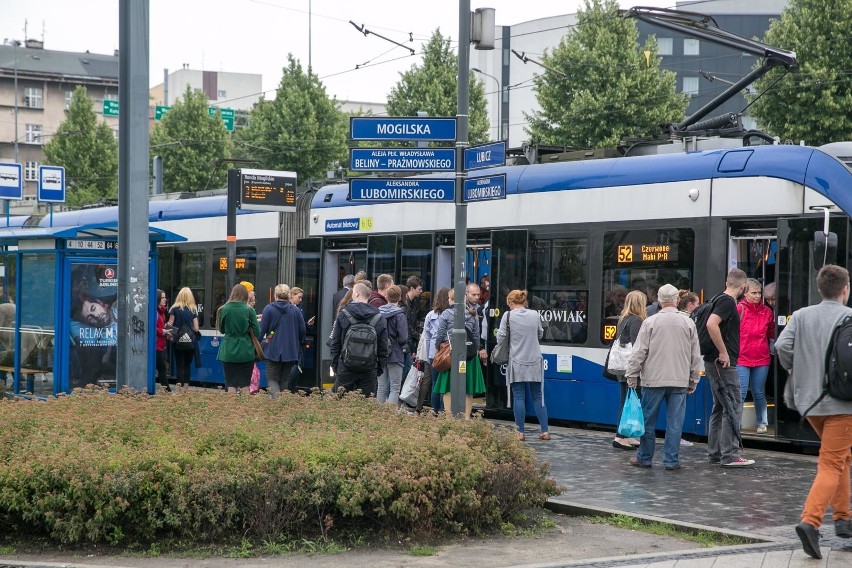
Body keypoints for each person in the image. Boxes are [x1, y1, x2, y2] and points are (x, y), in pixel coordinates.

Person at [775, 264, 852, 559]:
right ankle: (810, 522)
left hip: (809, 403)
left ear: (820, 289)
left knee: (841, 456)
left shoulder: (802, 315)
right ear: (845, 289)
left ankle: (844, 519)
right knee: (832, 463)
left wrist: (798, 371)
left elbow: (782, 345)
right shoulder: (849, 317)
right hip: (842, 404)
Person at [625, 284, 702, 470]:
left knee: (648, 422)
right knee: (675, 423)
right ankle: (671, 461)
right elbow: (695, 355)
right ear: (677, 300)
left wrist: (632, 375)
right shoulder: (689, 323)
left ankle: (644, 458)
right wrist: (693, 380)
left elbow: (639, 352)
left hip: (653, 380)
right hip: (679, 381)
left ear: (659, 301)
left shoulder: (650, 322)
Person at [705, 268, 755, 467]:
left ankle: (715, 453)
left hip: (713, 363)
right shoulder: (727, 302)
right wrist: (724, 352)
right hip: (723, 364)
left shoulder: (717, 297)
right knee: (733, 406)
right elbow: (711, 324)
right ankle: (730, 455)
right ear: (743, 286)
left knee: (719, 407)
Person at [495, 289, 548, 441]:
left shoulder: (508, 315)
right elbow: (540, 334)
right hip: (535, 360)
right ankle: (545, 431)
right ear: (524, 302)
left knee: (519, 396)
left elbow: (501, 337)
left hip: (516, 360)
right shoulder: (535, 314)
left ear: (510, 303)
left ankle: (520, 432)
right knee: (538, 397)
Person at [431, 285, 487, 419]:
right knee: (468, 388)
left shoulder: (446, 313)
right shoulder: (472, 313)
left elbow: (440, 335)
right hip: (470, 355)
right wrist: (474, 350)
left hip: (451, 354)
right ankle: (467, 418)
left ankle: (449, 417)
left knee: (448, 387)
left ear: (452, 299)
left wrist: (438, 348)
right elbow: (476, 336)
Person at [330, 282, 389, 396]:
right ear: (369, 296)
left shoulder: (344, 313)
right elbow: (384, 347)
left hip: (345, 367)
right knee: (366, 407)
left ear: (356, 294)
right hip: (369, 369)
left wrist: (336, 365)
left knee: (340, 405)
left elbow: (335, 343)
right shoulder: (378, 317)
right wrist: (377, 368)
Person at [737, 278, 775, 434]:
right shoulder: (739, 309)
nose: (758, 296)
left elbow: (772, 333)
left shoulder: (767, 311)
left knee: (759, 392)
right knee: (741, 392)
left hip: (761, 357)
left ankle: (762, 422)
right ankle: (736, 423)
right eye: (754, 293)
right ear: (745, 293)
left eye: (759, 292)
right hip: (742, 357)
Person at [611, 290, 647, 450]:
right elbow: (637, 346)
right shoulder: (637, 320)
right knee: (630, 402)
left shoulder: (623, 319)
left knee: (626, 401)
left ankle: (629, 434)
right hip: (631, 369)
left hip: (622, 367)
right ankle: (621, 436)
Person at [259, 284, 305, 397]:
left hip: (272, 350)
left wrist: (257, 344)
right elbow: (302, 331)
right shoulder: (295, 310)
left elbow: (261, 331)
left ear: (275, 295)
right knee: (284, 379)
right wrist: (297, 345)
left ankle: (276, 403)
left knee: (272, 379)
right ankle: (283, 405)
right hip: (290, 351)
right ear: (288, 295)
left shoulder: (269, 309)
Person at [216, 283, 261, 394]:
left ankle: (231, 409)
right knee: (245, 384)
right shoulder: (250, 310)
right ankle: (243, 409)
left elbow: (222, 330)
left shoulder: (223, 309)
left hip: (228, 350)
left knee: (231, 384)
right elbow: (257, 332)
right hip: (246, 351)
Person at [377, 285, 408, 407]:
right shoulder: (400, 315)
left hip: (380, 353)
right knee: (395, 387)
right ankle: (389, 416)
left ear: (386, 296)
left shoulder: (378, 312)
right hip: (395, 354)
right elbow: (403, 338)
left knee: (381, 387)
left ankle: (378, 415)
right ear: (400, 297)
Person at [422, 287, 450, 414]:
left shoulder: (430, 315)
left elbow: (426, 337)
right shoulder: (452, 315)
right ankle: (445, 410)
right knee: (446, 384)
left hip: (435, 353)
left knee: (435, 384)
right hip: (448, 353)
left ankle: (435, 411)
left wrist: (429, 355)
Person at [168, 287, 200, 392]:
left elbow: (170, 325)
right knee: (187, 364)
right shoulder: (193, 309)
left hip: (177, 341)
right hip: (190, 342)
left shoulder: (174, 309)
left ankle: (178, 386)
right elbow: (196, 328)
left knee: (179, 363)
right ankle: (185, 388)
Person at [154, 289, 171, 392]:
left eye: (165, 297)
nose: (165, 300)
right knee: (162, 368)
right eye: (163, 298)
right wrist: (163, 331)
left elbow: (159, 326)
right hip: (155, 345)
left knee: (161, 367)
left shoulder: (162, 313)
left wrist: (166, 328)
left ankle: (166, 389)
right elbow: (152, 327)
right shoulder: (155, 312)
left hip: (161, 345)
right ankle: (167, 390)